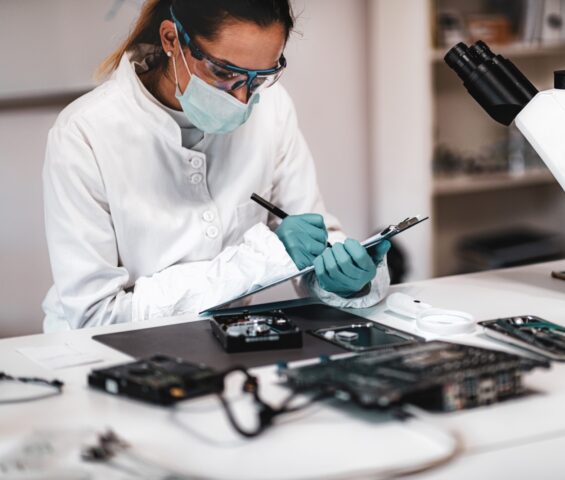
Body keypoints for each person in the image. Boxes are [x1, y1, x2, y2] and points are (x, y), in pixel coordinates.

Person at [42, 0, 391, 332]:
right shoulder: (84, 133)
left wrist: (343, 279)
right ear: (171, 40)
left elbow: (311, 241)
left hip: (229, 344)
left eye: (260, 76)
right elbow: (96, 315)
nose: (242, 99)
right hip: (102, 358)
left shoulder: (272, 108)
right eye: (224, 72)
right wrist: (261, 257)